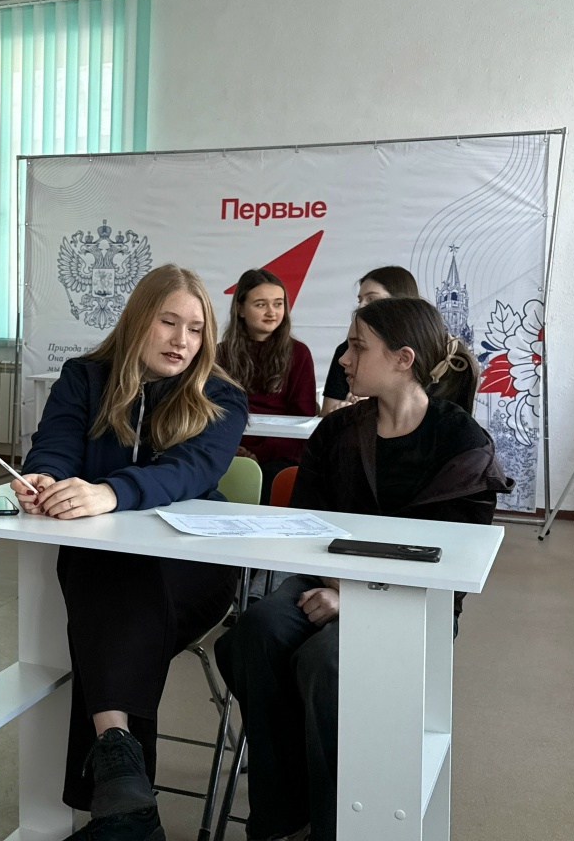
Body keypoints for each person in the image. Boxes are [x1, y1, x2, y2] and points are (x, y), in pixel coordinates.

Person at [214, 297, 511, 841]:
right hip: (324, 585)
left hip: (416, 606)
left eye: (357, 347)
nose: (344, 359)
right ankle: (283, 818)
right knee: (253, 633)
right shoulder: (336, 432)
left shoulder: (463, 445)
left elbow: (453, 567)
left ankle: (336, 826)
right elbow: (305, 529)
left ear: (402, 358)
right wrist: (341, 588)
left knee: (325, 661)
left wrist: (357, 597)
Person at [9, 264, 247, 841]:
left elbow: (190, 471)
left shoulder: (221, 396)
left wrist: (110, 493)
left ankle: (120, 798)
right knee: (110, 581)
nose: (182, 341)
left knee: (110, 602)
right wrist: (44, 478)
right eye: (168, 322)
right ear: (138, 319)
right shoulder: (85, 377)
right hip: (106, 564)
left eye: (196, 329)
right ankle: (124, 791)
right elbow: (56, 444)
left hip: (194, 565)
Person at [216, 268, 316, 502]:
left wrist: (257, 454)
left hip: (280, 454)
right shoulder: (220, 354)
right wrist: (233, 447)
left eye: (278, 304)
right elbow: (214, 410)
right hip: (229, 447)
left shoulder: (299, 353)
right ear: (240, 309)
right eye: (261, 304)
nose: (272, 312)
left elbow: (303, 417)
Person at [319, 266, 419, 416]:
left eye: (371, 299)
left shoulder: (431, 353)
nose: (361, 307)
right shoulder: (345, 350)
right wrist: (345, 412)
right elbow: (327, 412)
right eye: (360, 300)